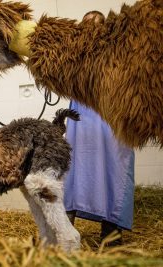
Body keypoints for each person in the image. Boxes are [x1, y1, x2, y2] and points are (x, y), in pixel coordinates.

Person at [64, 10, 135, 245]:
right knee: (73, 168)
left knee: (115, 168)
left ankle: (111, 234)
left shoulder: (119, 54)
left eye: (95, 25)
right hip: (81, 119)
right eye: (86, 25)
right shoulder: (73, 56)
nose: (91, 30)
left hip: (111, 118)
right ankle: (64, 232)